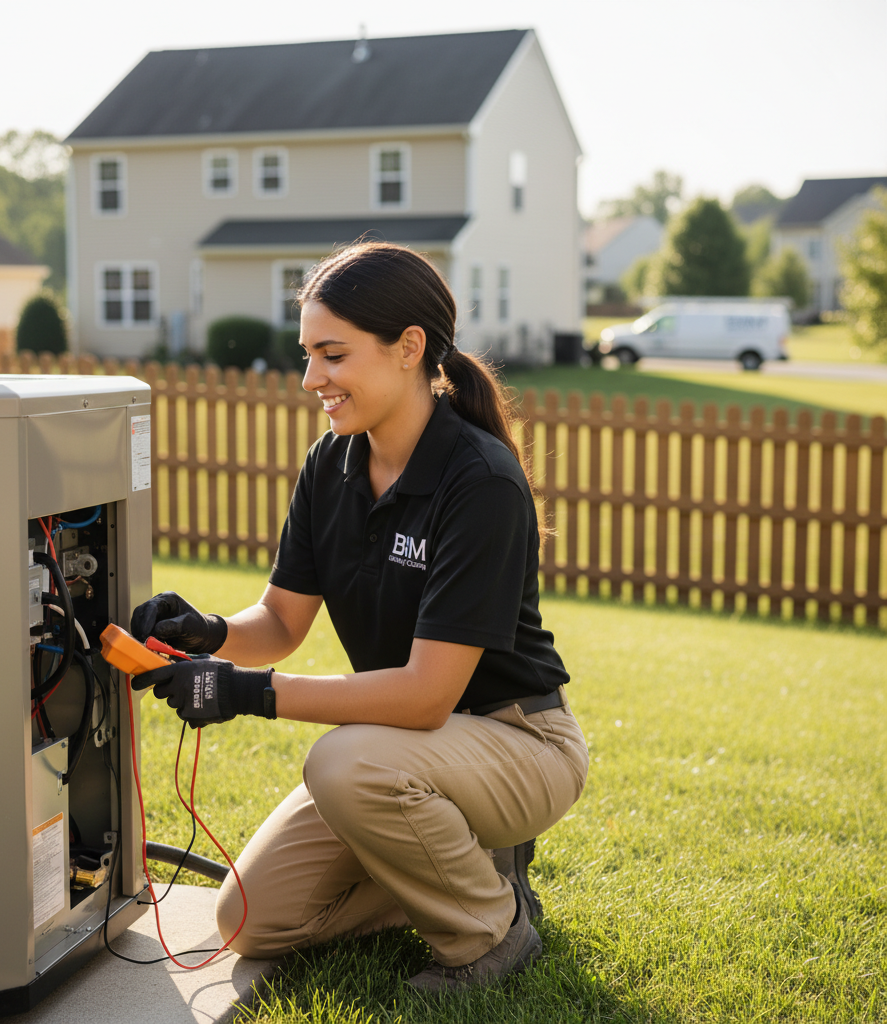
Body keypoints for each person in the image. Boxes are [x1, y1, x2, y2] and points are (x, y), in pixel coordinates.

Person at [130, 242, 589, 991]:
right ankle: (467, 868)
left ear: (409, 348)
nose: (312, 379)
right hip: (402, 752)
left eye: (333, 355)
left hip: (519, 742)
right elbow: (279, 622)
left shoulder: (480, 481)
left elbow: (425, 695)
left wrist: (247, 693)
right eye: (309, 354)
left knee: (340, 762)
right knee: (249, 922)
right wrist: (207, 633)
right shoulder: (331, 463)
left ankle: (489, 931)